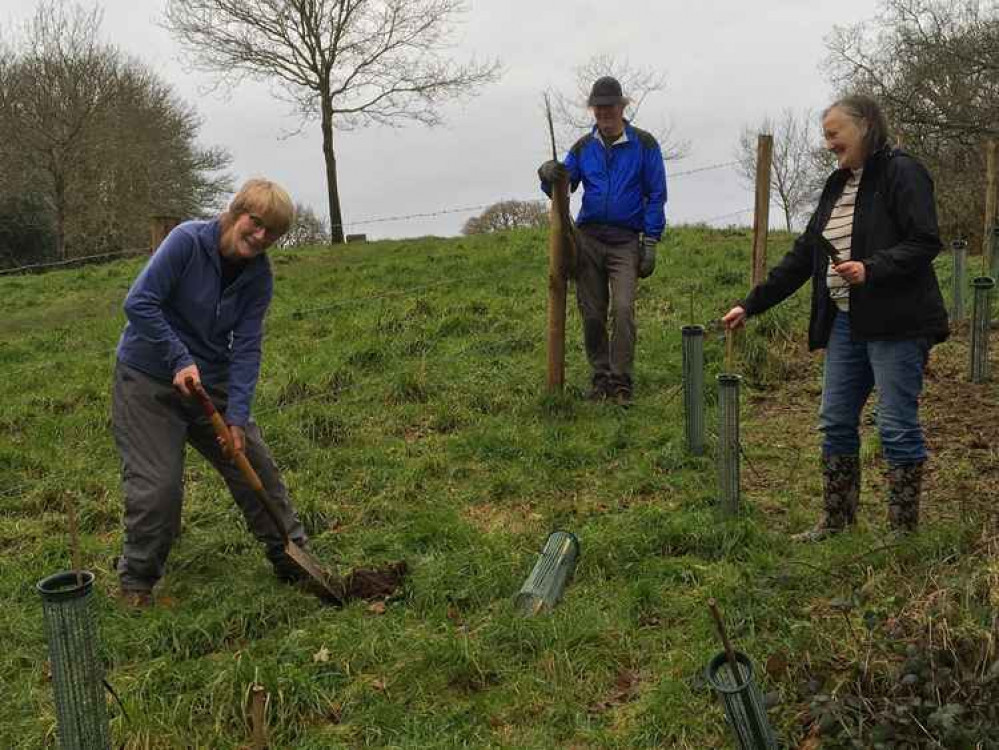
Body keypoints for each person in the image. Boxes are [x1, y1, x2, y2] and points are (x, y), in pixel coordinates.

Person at [722, 95, 948, 540]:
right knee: (836, 418)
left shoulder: (903, 172)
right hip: (847, 321)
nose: (828, 144)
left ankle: (902, 532)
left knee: (895, 424)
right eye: (825, 136)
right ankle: (838, 522)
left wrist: (871, 268)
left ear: (864, 127)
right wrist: (751, 304)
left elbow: (925, 242)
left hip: (898, 322)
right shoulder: (836, 185)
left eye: (834, 133)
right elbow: (806, 253)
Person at [112, 178, 309, 606]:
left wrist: (237, 416)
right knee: (158, 489)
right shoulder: (186, 241)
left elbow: (248, 347)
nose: (260, 237)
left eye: (272, 233)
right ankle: (137, 582)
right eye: (255, 223)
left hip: (210, 383)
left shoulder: (259, 277)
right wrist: (179, 357)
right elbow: (139, 302)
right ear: (236, 213)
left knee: (255, 466)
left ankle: (293, 557)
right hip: (147, 377)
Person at [538, 76, 668, 404]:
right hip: (589, 239)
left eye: (609, 107)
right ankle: (600, 378)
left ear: (622, 108)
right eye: (598, 108)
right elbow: (562, 186)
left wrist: (650, 241)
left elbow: (656, 195)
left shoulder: (646, 144)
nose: (604, 114)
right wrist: (547, 174)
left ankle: (621, 381)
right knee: (592, 312)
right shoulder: (583, 147)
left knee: (623, 309)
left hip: (625, 240)